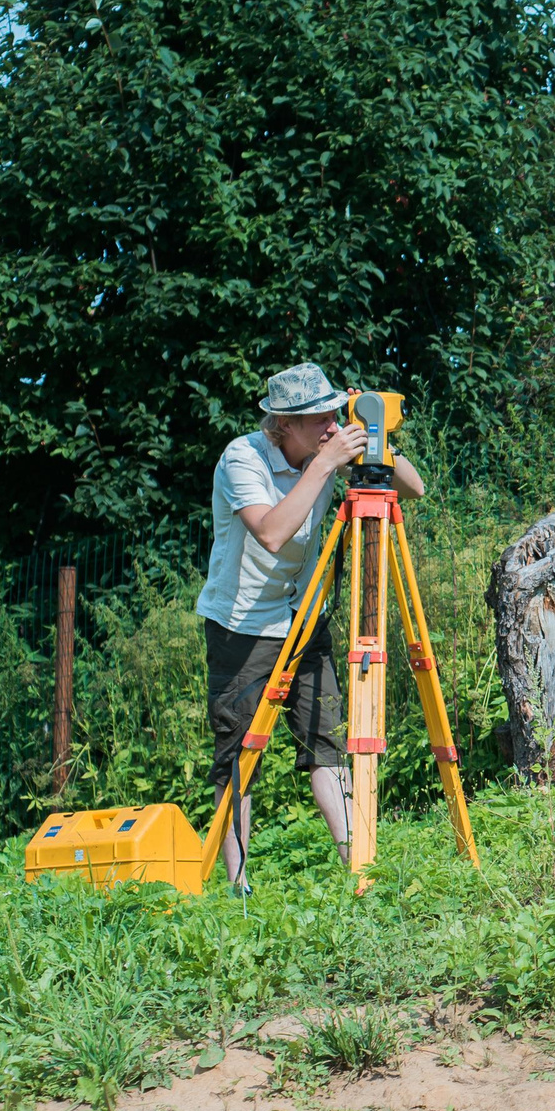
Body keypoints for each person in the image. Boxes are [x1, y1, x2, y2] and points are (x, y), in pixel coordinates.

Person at [195, 363, 424, 891]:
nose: (328, 426)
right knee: (239, 756)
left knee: (327, 742)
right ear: (282, 425)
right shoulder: (242, 458)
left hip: (304, 619)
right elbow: (273, 533)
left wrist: (374, 438)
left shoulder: (328, 451)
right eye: (317, 418)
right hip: (243, 628)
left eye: (332, 413)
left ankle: (359, 867)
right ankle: (239, 884)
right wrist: (325, 463)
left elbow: (413, 488)